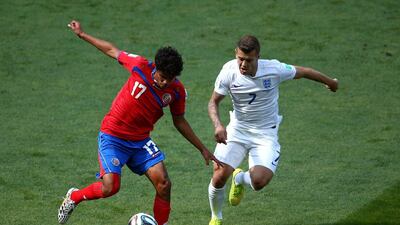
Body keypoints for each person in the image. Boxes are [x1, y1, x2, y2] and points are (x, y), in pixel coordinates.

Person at [58, 20, 222, 225]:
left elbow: (179, 121)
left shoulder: (176, 91)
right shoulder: (140, 66)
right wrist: (82, 34)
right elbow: (112, 50)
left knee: (164, 184)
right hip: (113, 136)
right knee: (110, 187)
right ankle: (74, 197)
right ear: (156, 67)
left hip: (140, 141)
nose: (164, 83)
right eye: (162, 77)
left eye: (169, 79)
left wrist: (203, 149)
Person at [207, 35, 338, 225]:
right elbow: (213, 102)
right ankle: (216, 217)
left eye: (248, 60)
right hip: (237, 130)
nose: (243, 64)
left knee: (259, 182)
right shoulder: (228, 71)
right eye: (240, 59)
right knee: (219, 177)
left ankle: (240, 179)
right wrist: (218, 125)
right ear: (236, 54)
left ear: (258, 57)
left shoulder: (274, 69)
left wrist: (330, 82)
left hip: (265, 134)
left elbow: (304, 72)